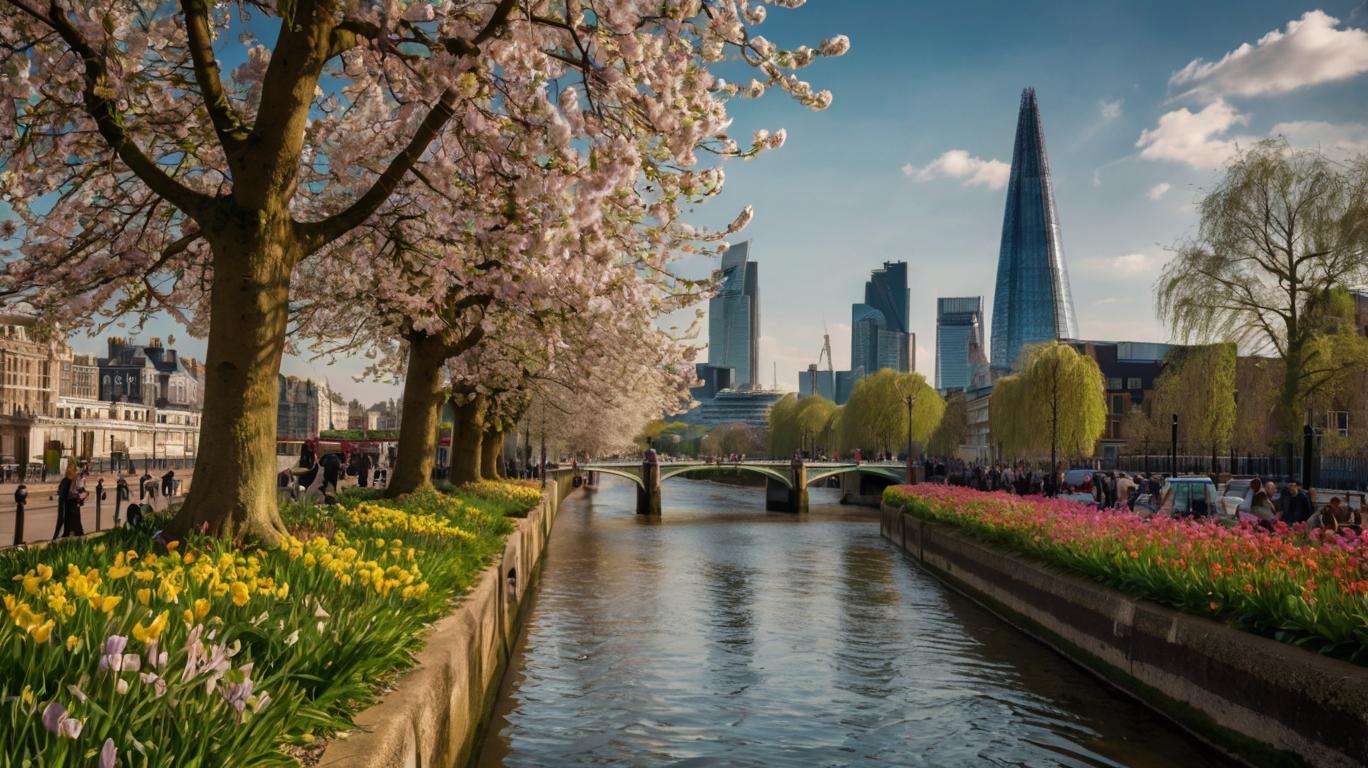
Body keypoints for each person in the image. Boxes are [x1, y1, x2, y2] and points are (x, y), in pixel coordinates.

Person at [53, 463, 77, 539]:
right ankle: (58, 537)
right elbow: (72, 493)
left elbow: (59, 490)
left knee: (61, 520)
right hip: (66, 504)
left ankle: (57, 536)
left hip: (61, 502)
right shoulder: (71, 481)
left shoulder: (64, 480)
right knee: (65, 520)